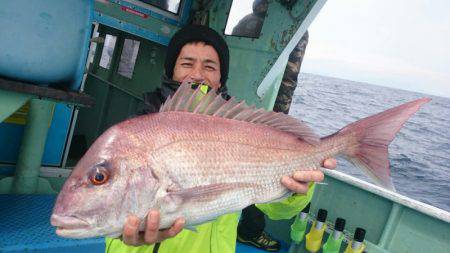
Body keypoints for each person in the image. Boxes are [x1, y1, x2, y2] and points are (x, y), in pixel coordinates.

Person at [105, 24, 336, 253]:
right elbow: (109, 228)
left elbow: (277, 211)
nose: (196, 74)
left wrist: (295, 191)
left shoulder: (242, 130)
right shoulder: (137, 132)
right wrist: (129, 241)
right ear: (171, 71)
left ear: (220, 78)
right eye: (187, 63)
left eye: (209, 66)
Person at [237, 31, 310, 252]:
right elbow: (288, 82)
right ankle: (250, 231)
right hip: (265, 116)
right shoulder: (296, 28)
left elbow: (279, 210)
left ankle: (249, 230)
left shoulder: (248, 24)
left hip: (252, 116)